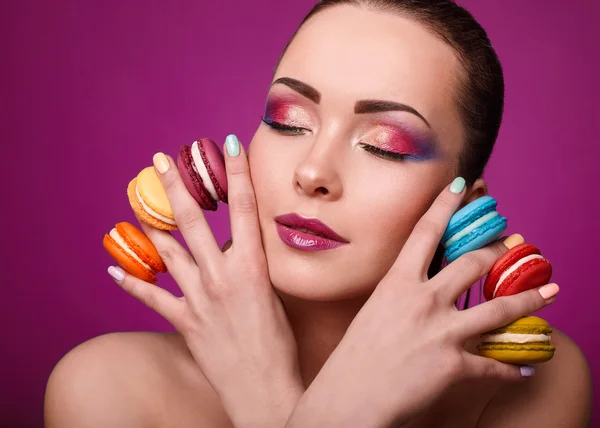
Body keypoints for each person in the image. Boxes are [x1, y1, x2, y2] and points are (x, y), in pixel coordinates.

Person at [44, 1, 592, 427]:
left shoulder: (526, 387)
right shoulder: (107, 391)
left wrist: (268, 408)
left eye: (385, 145)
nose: (312, 172)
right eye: (287, 120)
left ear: (469, 211)